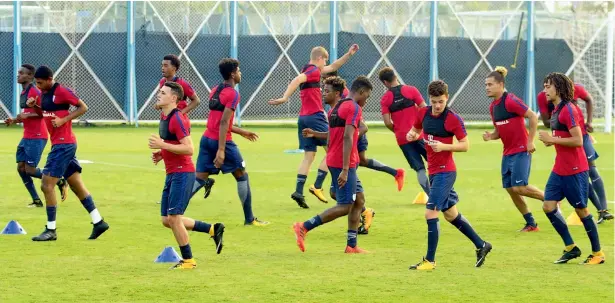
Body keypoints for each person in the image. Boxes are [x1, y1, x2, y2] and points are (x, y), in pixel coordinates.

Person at [406, 80, 492, 270]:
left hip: (446, 172)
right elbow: (416, 129)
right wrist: (412, 134)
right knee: (451, 215)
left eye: (441, 102)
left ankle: (430, 261)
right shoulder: (423, 113)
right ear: (429, 99)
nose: (437, 106)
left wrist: (445, 146)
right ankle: (482, 245)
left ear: (447, 98)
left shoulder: (453, 119)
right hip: (434, 172)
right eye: (434, 101)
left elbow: (465, 145)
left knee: (430, 212)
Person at [269, 44, 359, 208]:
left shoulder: (310, 70)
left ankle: (298, 191)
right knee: (333, 149)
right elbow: (297, 79)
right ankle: (318, 185)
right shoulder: (312, 71)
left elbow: (334, 66)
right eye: (325, 61)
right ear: (319, 59)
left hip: (303, 117)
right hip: (315, 116)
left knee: (309, 156)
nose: (326, 65)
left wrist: (349, 54)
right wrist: (284, 97)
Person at [149, 81, 225, 269]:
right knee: (167, 220)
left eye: (163, 92)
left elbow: (189, 148)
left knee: (174, 217)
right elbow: (172, 142)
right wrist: (162, 153)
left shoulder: (177, 118)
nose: (159, 94)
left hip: (183, 174)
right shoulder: (164, 116)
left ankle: (189, 261)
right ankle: (212, 229)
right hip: (172, 173)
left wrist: (163, 146)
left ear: (173, 98)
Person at [293, 76, 372, 253]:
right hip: (344, 163)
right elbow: (347, 137)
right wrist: (345, 169)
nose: (366, 99)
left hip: (336, 160)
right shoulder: (353, 107)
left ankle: (351, 246)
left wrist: (315, 133)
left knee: (359, 201)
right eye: (367, 95)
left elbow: (334, 135)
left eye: (326, 91)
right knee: (345, 205)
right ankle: (304, 226)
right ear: (361, 92)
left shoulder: (336, 109)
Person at [30, 66, 109, 241]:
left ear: (50, 79)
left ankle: (51, 230)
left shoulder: (62, 91)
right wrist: (34, 106)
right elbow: (43, 115)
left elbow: (83, 107)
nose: (38, 85)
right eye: (36, 83)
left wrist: (64, 119)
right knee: (75, 184)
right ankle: (98, 222)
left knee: (46, 185)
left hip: (63, 146)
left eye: (40, 82)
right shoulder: (43, 94)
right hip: (61, 144)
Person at [190, 58, 269, 226]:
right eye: (239, 71)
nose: (241, 73)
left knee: (200, 178)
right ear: (233, 74)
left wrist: (242, 132)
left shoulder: (215, 90)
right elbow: (224, 123)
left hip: (206, 139)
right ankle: (250, 219)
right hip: (222, 141)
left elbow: (218, 121)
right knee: (241, 175)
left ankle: (173, 210)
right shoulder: (233, 94)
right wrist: (221, 149)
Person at [537, 72, 604, 264]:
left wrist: (552, 139)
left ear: (558, 87)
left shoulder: (569, 109)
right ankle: (571, 247)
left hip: (575, 168)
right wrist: (553, 142)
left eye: (548, 86)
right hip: (560, 168)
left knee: (582, 210)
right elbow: (563, 136)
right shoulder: (557, 109)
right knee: (548, 206)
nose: (545, 90)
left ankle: (598, 254)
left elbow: (577, 140)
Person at [537, 83, 612, 223]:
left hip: (582, 136)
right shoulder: (543, 97)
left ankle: (603, 209)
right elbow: (547, 122)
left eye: (550, 85)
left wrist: (589, 121)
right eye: (545, 86)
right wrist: (557, 123)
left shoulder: (573, 88)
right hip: (565, 139)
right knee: (581, 174)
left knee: (591, 170)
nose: (546, 89)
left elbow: (589, 99)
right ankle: (599, 210)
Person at [482, 66, 544, 231]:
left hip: (521, 151)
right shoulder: (493, 107)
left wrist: (530, 141)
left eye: (490, 84)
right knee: (511, 189)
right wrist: (491, 136)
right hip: (507, 153)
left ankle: (550, 199)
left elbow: (532, 116)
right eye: (486, 85)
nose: (487, 87)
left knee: (520, 187)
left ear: (501, 84)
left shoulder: (511, 100)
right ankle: (531, 223)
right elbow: (499, 131)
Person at [5, 64, 68, 207]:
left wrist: (26, 115)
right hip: (27, 135)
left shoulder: (35, 91)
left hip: (37, 136)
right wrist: (15, 120)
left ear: (30, 76)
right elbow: (27, 114)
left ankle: (59, 180)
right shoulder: (24, 93)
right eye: (18, 72)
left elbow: (42, 112)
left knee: (31, 170)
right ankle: (36, 200)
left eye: (21, 73)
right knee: (21, 168)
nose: (18, 75)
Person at [378, 67, 428, 196]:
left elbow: (387, 122)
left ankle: (431, 195)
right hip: (419, 134)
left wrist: (398, 131)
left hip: (403, 139)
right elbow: (424, 108)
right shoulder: (411, 90)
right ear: (395, 77)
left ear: (385, 82)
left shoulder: (385, 99)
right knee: (435, 163)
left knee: (420, 169)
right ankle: (444, 191)